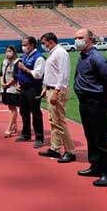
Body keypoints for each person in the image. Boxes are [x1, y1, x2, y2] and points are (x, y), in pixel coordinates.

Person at [73, 29, 107, 186]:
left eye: (80, 38)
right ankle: (96, 166)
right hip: (84, 102)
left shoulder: (97, 58)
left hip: (96, 102)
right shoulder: (83, 57)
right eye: (75, 38)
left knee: (101, 138)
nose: (76, 40)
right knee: (90, 136)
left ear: (89, 40)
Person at [38, 32, 76, 163]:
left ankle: (70, 151)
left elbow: (63, 74)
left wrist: (56, 91)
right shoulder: (53, 52)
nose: (43, 45)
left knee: (59, 122)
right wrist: (45, 88)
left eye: (44, 43)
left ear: (50, 41)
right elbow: (52, 73)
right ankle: (55, 148)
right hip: (50, 88)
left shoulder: (60, 53)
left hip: (57, 90)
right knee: (53, 120)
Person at [14, 36, 45, 146]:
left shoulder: (39, 58)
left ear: (32, 45)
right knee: (24, 111)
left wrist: (24, 69)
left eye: (25, 45)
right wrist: (19, 83)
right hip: (23, 88)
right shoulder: (25, 55)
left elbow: (38, 74)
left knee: (35, 113)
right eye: (23, 45)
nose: (23, 47)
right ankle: (26, 134)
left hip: (33, 88)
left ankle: (39, 138)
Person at [0, 46, 21, 137]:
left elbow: (16, 77)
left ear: (14, 52)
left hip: (13, 88)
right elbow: (1, 74)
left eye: (9, 51)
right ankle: (14, 125)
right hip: (5, 88)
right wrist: (2, 83)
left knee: (13, 108)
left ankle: (8, 128)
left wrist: (8, 84)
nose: (7, 53)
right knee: (10, 107)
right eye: (6, 51)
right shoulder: (4, 62)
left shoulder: (17, 62)